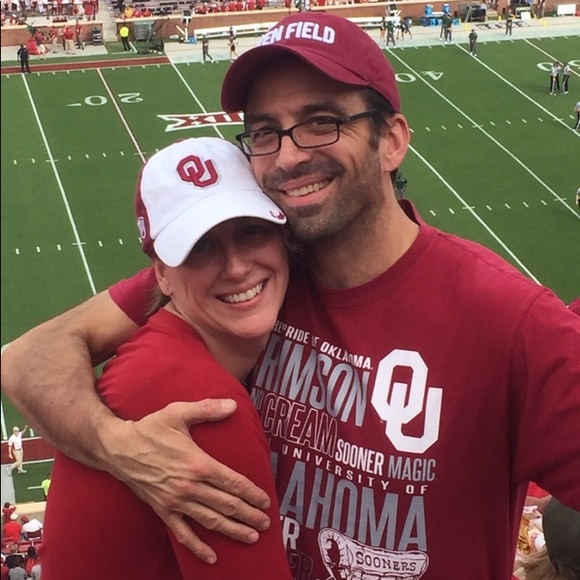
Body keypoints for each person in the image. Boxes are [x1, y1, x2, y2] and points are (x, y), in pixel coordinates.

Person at [2, 12, 580, 580]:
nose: (287, 156)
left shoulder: (510, 321)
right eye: (264, 132)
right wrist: (118, 446)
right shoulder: (252, 272)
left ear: (392, 140)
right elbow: (29, 357)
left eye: (321, 122)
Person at [39, 137, 291, 579]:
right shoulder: (203, 405)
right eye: (200, 248)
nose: (236, 267)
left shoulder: (159, 353)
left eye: (251, 231)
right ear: (161, 276)